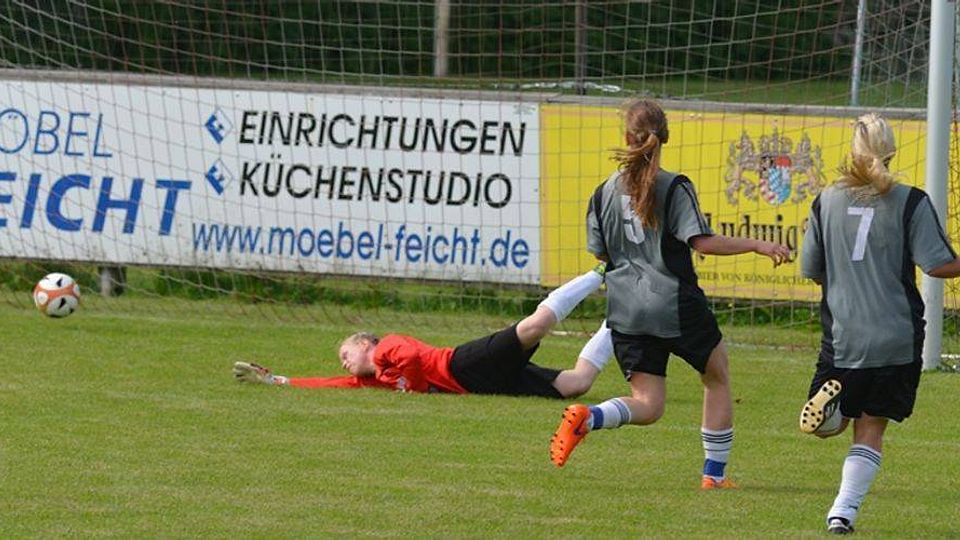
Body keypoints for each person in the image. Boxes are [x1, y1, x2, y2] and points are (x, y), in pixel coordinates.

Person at [548, 98, 791, 490]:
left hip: (625, 310)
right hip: (674, 304)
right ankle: (714, 475)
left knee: (648, 404)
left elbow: (600, 252)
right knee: (716, 377)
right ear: (665, 138)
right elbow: (702, 243)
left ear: (627, 137)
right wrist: (758, 245)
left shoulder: (602, 192)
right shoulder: (674, 186)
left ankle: (589, 417)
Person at [797, 113, 960, 535]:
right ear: (892, 150)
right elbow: (939, 265)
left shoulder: (826, 200)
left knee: (837, 423)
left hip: (842, 336)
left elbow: (811, 269)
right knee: (871, 426)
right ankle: (842, 513)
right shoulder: (910, 200)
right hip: (896, 337)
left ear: (853, 150)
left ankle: (830, 416)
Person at [234, 265, 614, 399]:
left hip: (463, 365)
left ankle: (599, 273)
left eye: (346, 354)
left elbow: (414, 360)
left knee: (534, 326)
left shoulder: (387, 349)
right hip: (481, 386)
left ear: (366, 344)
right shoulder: (374, 381)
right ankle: (624, 314)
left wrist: (413, 389)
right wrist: (278, 381)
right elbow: (327, 383)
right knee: (576, 384)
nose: (344, 363)